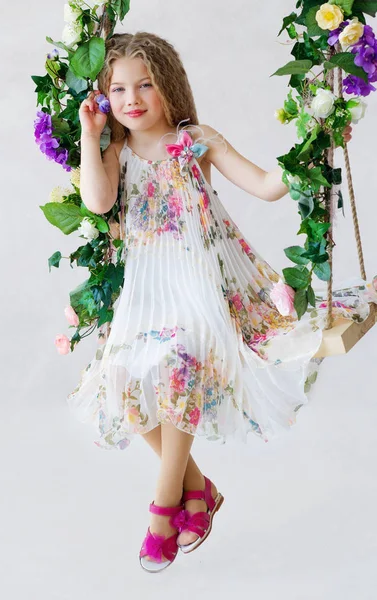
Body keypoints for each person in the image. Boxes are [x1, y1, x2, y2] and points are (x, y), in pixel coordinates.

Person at [68, 31, 366, 572]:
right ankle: (200, 489)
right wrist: (92, 138)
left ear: (169, 86)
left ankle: (164, 510)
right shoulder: (115, 149)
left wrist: (311, 142)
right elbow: (98, 200)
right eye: (118, 89)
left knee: (179, 360)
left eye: (145, 85)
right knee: (123, 383)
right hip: (147, 288)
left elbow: (268, 185)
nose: (131, 99)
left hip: (204, 281)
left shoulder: (195, 139)